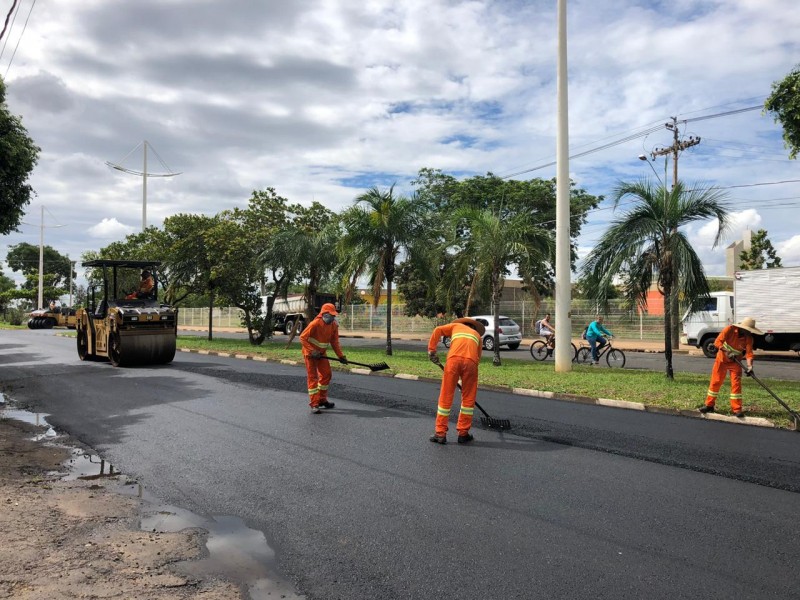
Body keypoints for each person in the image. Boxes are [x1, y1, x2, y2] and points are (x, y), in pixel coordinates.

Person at [427, 317, 486, 445]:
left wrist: (432, 350)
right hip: (471, 364)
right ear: (473, 328)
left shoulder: (455, 327)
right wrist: (464, 381)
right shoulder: (477, 336)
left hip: (453, 361)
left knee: (446, 395)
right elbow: (477, 358)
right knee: (468, 398)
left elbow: (437, 330)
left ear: (462, 324)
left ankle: (440, 433)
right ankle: (463, 433)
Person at [699, 317, 762, 418]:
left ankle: (737, 409)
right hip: (721, 360)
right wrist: (727, 352)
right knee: (715, 382)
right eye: (748, 330)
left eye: (750, 331)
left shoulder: (749, 338)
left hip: (735, 363)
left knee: (736, 385)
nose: (749, 332)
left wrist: (750, 366)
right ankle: (709, 405)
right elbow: (717, 342)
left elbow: (749, 353)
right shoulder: (729, 329)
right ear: (742, 328)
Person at [299, 303, 348, 414]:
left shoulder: (334, 325)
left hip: (322, 354)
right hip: (310, 355)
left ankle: (322, 400)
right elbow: (302, 338)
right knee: (313, 378)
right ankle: (314, 404)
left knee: (326, 375)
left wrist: (341, 356)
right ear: (324, 314)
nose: (333, 317)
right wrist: (312, 351)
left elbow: (335, 342)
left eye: (333, 315)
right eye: (331, 315)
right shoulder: (315, 323)